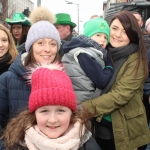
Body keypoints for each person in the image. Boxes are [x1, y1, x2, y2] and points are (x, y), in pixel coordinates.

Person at [81, 10, 150, 150]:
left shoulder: (137, 59)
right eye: (114, 28)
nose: (118, 35)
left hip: (127, 130)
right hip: (101, 127)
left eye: (125, 31)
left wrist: (82, 109)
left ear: (132, 35)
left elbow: (120, 95)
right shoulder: (102, 53)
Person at [0, 6, 61, 149]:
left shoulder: (62, 78)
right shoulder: (7, 80)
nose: (47, 49)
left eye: (53, 44)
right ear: (30, 46)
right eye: (40, 43)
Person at [1, 64, 101, 150]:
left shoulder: (87, 144)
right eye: (44, 111)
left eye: (60, 110)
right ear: (34, 113)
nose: (52, 120)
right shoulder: (18, 143)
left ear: (72, 113)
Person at [62, 18, 113, 106]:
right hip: (84, 103)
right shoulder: (84, 54)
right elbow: (101, 81)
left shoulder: (83, 51)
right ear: (88, 35)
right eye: (98, 35)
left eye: (105, 37)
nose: (103, 39)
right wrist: (109, 66)